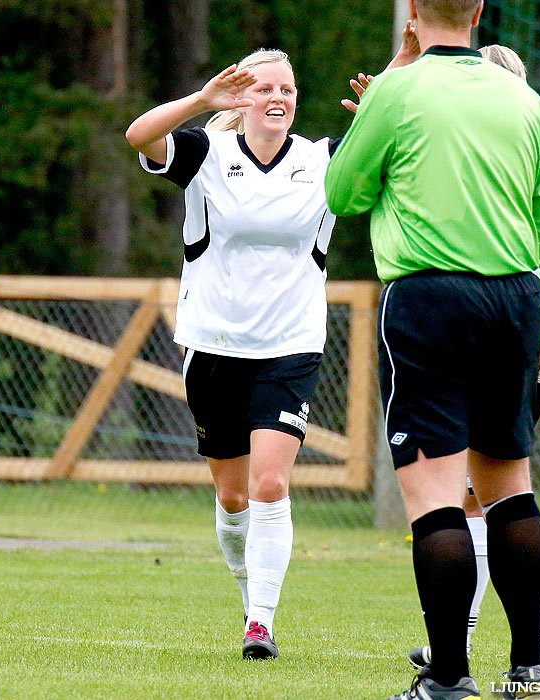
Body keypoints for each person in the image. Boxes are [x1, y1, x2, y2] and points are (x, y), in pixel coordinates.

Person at [326, 1, 540, 698]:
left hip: (430, 298)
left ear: (411, 12)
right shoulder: (522, 99)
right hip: (515, 301)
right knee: (509, 488)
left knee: (436, 497)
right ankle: (530, 665)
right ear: (477, 10)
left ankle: (447, 677)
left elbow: (342, 192)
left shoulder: (397, 91)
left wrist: (382, 103)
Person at [394, 41, 540, 680]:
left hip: (467, 316)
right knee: (494, 491)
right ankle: (509, 646)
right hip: (520, 319)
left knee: (474, 493)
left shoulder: (484, 144)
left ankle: (504, 644)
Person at [125, 49, 338, 660]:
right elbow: (140, 134)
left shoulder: (322, 160)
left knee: (271, 482)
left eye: (288, 89)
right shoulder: (205, 154)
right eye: (265, 87)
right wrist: (201, 101)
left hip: (291, 346)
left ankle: (261, 622)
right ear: (243, 97)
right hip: (214, 346)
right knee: (234, 496)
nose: (278, 98)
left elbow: (386, 151)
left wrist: (397, 72)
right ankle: (251, 592)